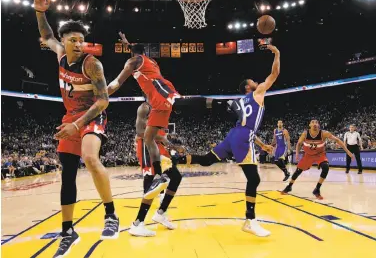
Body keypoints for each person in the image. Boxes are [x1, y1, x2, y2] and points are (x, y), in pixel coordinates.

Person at [34, 0, 119, 258]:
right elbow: (47, 36)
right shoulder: (59, 53)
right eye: (73, 40)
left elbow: (103, 101)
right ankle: (67, 231)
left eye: (82, 41)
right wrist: (40, 12)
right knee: (67, 172)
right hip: (69, 118)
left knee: (90, 158)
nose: (79, 44)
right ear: (64, 42)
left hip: (93, 114)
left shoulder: (92, 65)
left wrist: (78, 124)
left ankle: (111, 214)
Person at [172, 45, 280, 237]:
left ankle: (174, 162)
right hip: (242, 137)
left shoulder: (240, 101)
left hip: (234, 135)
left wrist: (262, 145)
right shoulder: (258, 93)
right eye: (253, 81)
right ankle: (250, 220)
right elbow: (274, 73)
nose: (257, 82)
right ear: (249, 87)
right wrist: (277, 53)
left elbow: (244, 127)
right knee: (254, 178)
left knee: (206, 160)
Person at [108, 32, 181, 199]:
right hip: (164, 94)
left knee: (149, 140)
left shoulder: (133, 61)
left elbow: (117, 82)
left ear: (132, 54)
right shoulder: (151, 61)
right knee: (148, 139)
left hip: (161, 95)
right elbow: (137, 53)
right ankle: (159, 176)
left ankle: (157, 178)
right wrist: (127, 43)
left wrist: (102, 95)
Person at [129, 102, 182, 236]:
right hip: (147, 147)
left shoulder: (163, 108)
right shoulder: (145, 107)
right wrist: (163, 139)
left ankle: (161, 212)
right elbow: (140, 132)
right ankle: (137, 223)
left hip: (160, 149)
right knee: (151, 185)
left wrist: (171, 145)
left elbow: (161, 136)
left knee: (176, 177)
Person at [281, 119, 354, 199]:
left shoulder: (324, 133)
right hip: (308, 155)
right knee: (298, 171)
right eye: (312, 122)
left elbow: (337, 140)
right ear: (310, 125)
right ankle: (289, 186)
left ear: (318, 125)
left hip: (320, 154)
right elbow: (299, 144)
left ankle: (317, 189)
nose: (314, 124)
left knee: (326, 167)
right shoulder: (305, 134)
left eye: (316, 122)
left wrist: (348, 152)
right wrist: (297, 154)